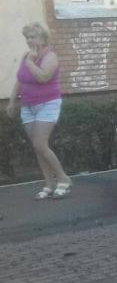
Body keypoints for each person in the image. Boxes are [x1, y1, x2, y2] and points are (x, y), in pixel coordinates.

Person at [7, 22, 70, 199]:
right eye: (27, 37)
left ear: (43, 38)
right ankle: (49, 183)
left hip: (48, 104)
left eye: (32, 36)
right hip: (27, 106)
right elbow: (20, 80)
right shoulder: (26, 55)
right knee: (38, 148)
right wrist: (12, 101)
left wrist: (29, 62)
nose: (29, 40)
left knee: (40, 144)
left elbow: (43, 77)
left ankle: (63, 179)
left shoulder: (50, 56)